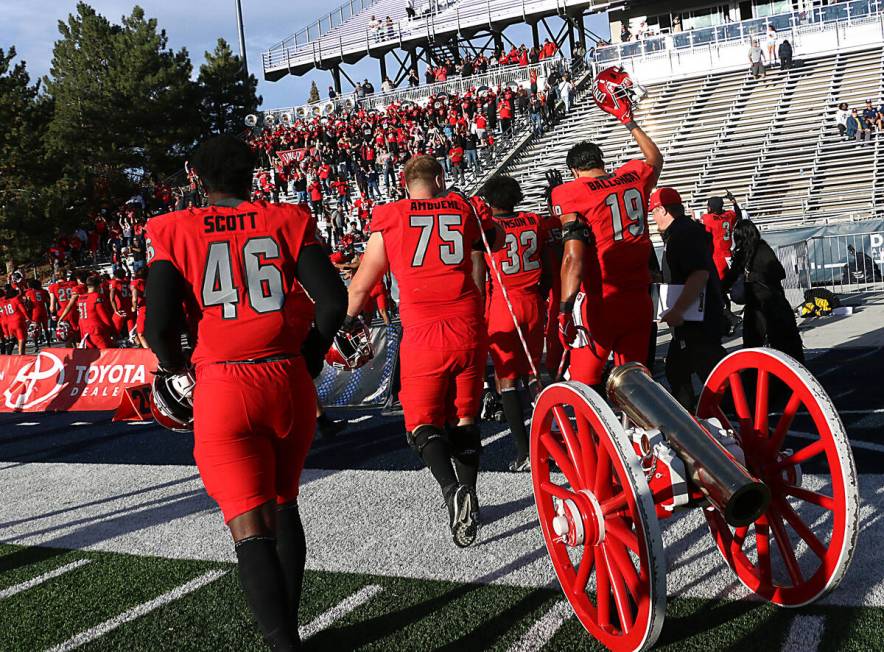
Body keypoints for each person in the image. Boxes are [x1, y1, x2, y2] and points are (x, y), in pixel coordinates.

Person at [144, 135, 348, 650]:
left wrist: (174, 370)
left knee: (250, 526)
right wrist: (310, 357)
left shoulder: (176, 228)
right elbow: (331, 300)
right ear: (253, 174)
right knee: (284, 504)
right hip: (287, 381)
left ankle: (284, 643)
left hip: (225, 384)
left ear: (197, 178)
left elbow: (158, 325)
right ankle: (292, 629)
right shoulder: (287, 219)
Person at [343, 155, 502, 548]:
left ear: (403, 184)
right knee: (466, 417)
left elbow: (363, 283)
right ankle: (471, 493)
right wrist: (471, 207)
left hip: (423, 331)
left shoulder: (392, 215)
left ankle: (451, 491)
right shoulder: (462, 207)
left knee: (420, 424)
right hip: (468, 324)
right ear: (441, 177)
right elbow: (494, 240)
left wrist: (344, 320)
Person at [551, 117, 663, 395]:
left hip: (603, 300)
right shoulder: (632, 176)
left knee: (583, 384)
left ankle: (598, 438)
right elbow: (655, 158)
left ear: (574, 171)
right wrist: (630, 122)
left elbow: (573, 257)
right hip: (638, 298)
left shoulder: (570, 192)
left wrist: (564, 309)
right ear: (601, 161)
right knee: (635, 384)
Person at [480, 176, 552, 472]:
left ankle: (525, 452)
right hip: (533, 300)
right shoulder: (534, 220)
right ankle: (548, 443)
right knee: (534, 375)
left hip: (504, 303)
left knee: (506, 380)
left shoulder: (488, 229)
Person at [649, 187, 726, 410]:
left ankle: (731, 417)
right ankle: (693, 416)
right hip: (696, 318)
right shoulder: (683, 231)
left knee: (712, 373)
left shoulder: (682, 234)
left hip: (696, 321)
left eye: (654, 212)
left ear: (663, 210)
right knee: (676, 370)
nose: (653, 218)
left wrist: (677, 311)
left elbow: (698, 274)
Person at [723, 220, 804, 362]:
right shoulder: (741, 255)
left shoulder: (762, 249)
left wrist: (753, 276)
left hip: (773, 304)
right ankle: (754, 376)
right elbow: (730, 278)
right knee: (752, 344)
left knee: (783, 344)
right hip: (755, 306)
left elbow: (779, 273)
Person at [700, 192, 742, 281]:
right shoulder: (729, 215)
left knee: (719, 284)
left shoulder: (707, 218)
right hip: (728, 254)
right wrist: (733, 202)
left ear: (711, 207)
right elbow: (738, 215)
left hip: (716, 256)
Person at [76, 276, 116, 349]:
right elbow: (104, 316)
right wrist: (112, 330)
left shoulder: (81, 297)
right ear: (98, 286)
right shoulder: (96, 296)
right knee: (107, 354)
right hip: (96, 331)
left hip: (85, 331)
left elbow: (81, 317)